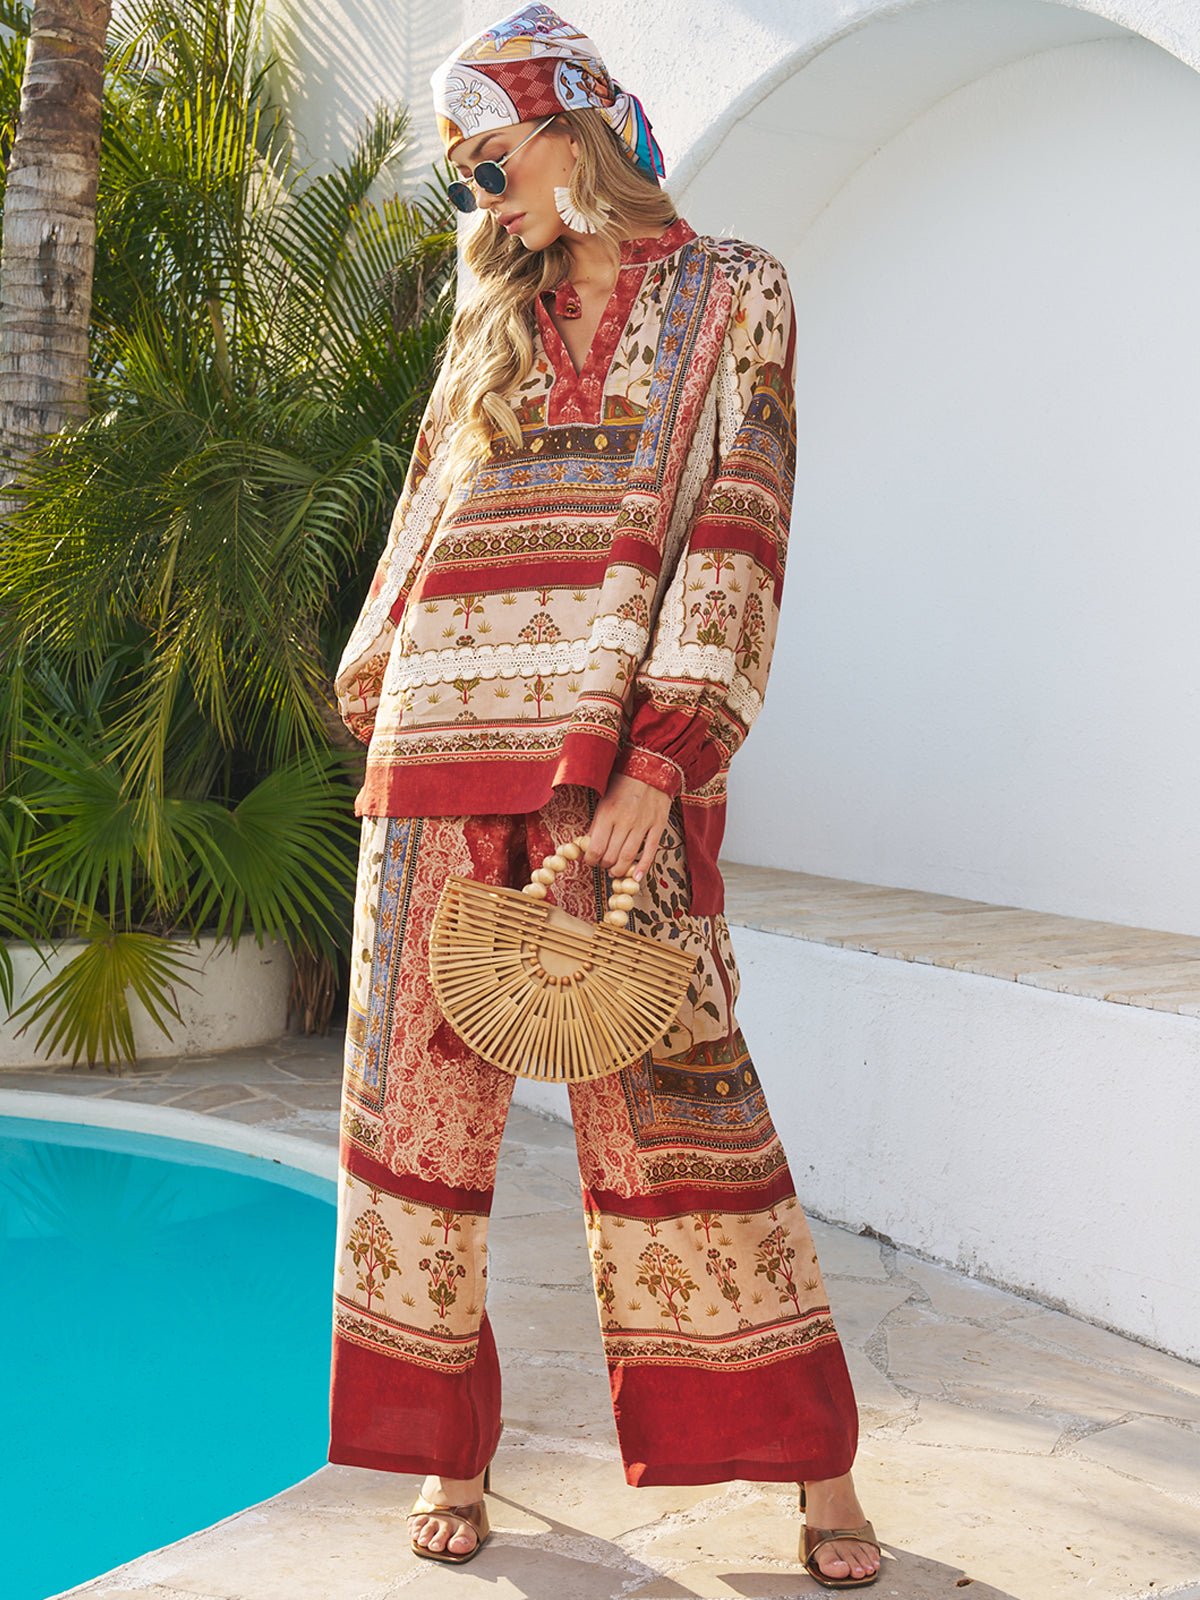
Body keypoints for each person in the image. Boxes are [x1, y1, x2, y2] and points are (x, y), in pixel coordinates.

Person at [326, 4, 882, 1587]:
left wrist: (664, 759)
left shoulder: (734, 292)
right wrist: (377, 696)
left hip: (606, 763)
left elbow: (741, 521)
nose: (477, 203)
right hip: (438, 755)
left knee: (686, 1122)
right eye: (458, 181)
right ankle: (454, 1444)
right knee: (412, 1126)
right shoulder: (484, 315)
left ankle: (812, 1469)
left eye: (486, 164)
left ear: (573, 126)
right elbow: (430, 512)